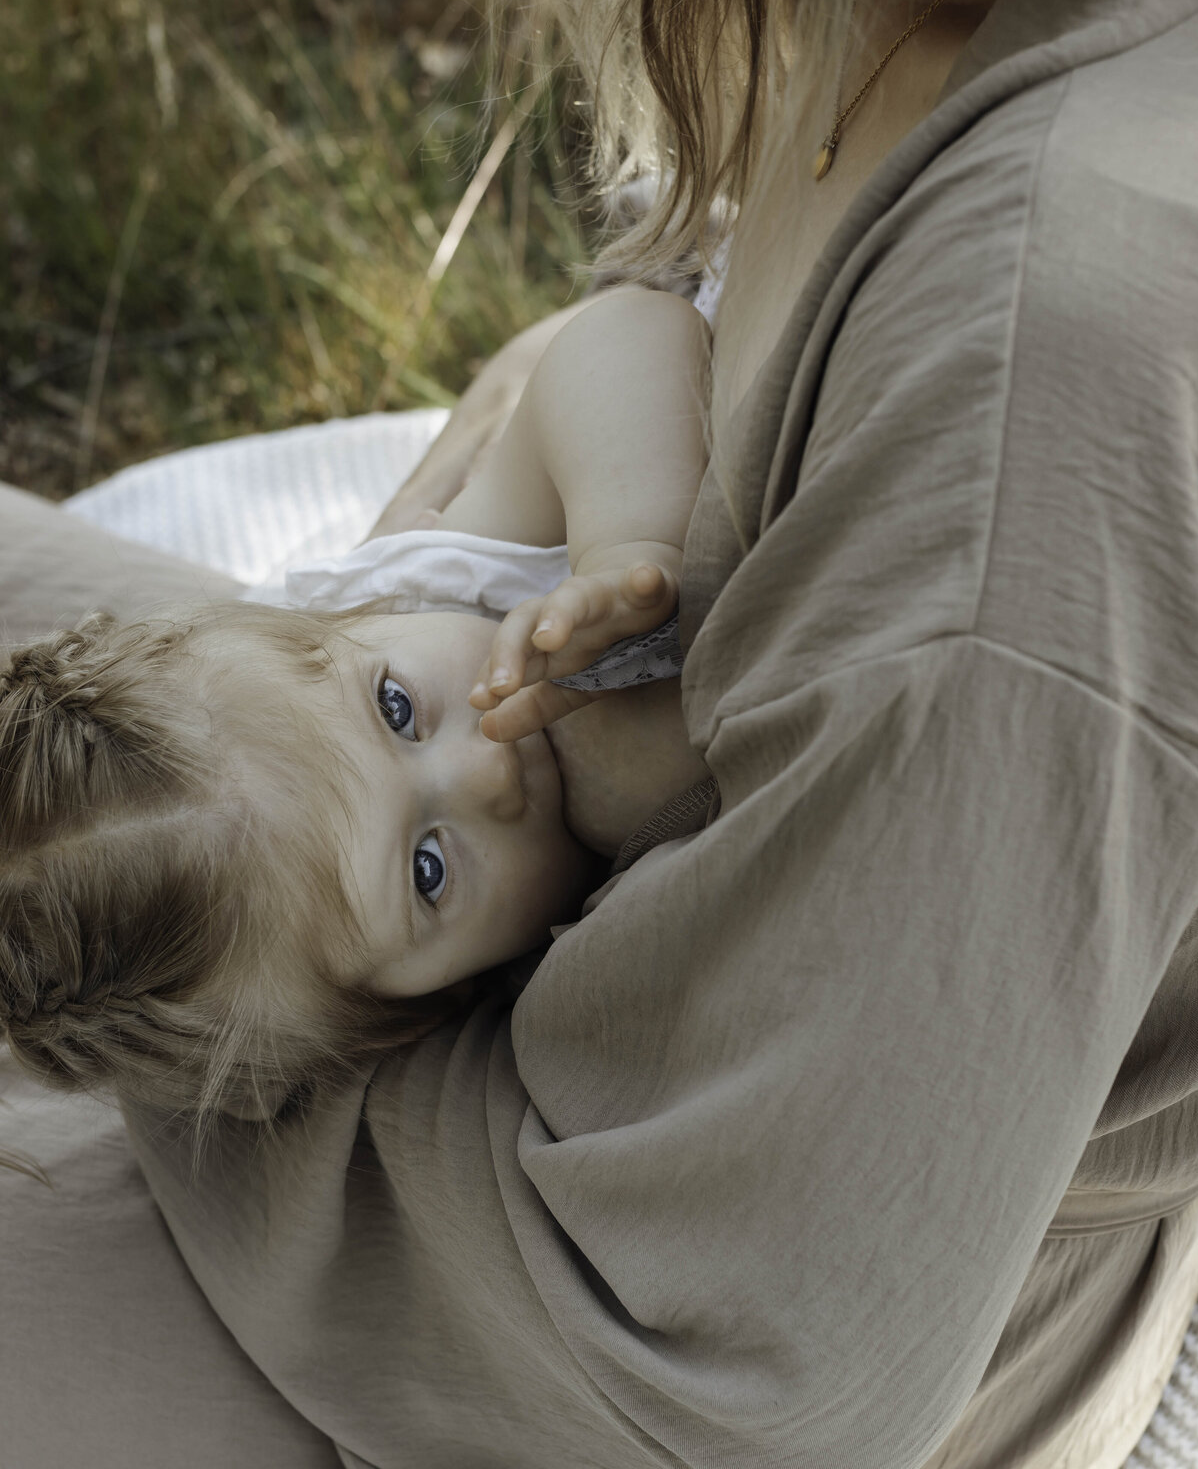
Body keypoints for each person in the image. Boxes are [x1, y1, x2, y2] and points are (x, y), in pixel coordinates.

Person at [3, 0, 1198, 1469]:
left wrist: (238, 1069)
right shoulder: (866, 26)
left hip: (661, 1303)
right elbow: (580, 386)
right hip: (404, 978)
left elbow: (735, 1366)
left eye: (431, 856)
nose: (486, 761)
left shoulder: (1041, 377)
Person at [0, 285, 712, 1132]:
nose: (488, 762)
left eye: (399, 710)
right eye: (428, 872)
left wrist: (631, 541)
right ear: (410, 1008)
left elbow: (624, 332)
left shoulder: (431, 585)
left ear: (341, 620)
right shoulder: (551, 1004)